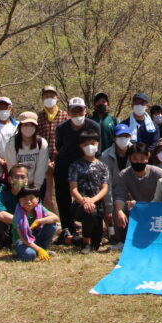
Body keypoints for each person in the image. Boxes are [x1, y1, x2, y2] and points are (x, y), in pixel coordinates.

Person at [53, 97, 100, 244]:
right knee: (63, 199)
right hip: (64, 166)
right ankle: (67, 230)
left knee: (88, 196)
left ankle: (91, 228)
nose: (77, 113)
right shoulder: (61, 128)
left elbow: (98, 149)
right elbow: (59, 146)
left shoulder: (94, 126)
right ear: (68, 112)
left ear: (85, 110)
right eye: (74, 110)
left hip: (86, 166)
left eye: (80, 110)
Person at [110, 142, 162, 247]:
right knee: (119, 210)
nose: (138, 162)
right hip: (137, 208)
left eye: (141, 158)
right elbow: (119, 196)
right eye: (135, 159)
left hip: (156, 209)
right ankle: (123, 240)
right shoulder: (124, 175)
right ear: (129, 159)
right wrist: (119, 211)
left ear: (148, 157)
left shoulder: (159, 174)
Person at [67, 129, 110, 254]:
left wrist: (92, 200)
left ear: (98, 144)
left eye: (93, 143)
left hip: (97, 205)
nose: (90, 147)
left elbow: (104, 188)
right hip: (79, 206)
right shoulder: (75, 166)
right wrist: (83, 201)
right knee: (89, 211)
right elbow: (73, 189)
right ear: (80, 146)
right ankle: (85, 243)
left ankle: (71, 239)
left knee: (96, 245)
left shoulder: (103, 166)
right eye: (86, 144)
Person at [99, 123, 133, 241]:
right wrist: (109, 208)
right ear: (114, 138)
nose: (123, 139)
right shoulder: (105, 156)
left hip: (132, 197)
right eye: (120, 136)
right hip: (114, 198)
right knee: (117, 237)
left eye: (126, 136)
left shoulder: (136, 152)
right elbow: (106, 182)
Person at [38, 85, 69, 209]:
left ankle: (69, 221)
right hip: (44, 161)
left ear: (57, 97)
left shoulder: (64, 116)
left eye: (52, 96)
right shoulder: (39, 117)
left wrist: (58, 160)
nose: (49, 98)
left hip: (61, 160)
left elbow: (68, 140)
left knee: (65, 192)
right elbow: (37, 140)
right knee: (47, 194)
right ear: (42, 98)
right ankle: (51, 221)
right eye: (46, 96)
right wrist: (46, 160)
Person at [3, 112, 48, 192]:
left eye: (31, 125)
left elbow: (41, 168)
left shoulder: (42, 143)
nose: (28, 128)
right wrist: (19, 188)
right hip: (17, 185)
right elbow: (12, 168)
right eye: (25, 125)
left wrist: (35, 190)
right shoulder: (11, 143)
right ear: (20, 127)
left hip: (37, 186)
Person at [12, 187, 59, 262]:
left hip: (35, 237)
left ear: (37, 199)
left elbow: (55, 217)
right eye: (24, 199)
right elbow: (23, 239)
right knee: (30, 255)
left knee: (51, 224)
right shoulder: (18, 216)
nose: (28, 201)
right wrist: (38, 249)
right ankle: (32, 252)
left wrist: (39, 221)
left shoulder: (40, 208)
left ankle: (44, 249)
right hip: (22, 242)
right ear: (19, 201)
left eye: (31, 198)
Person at [0, 163, 30, 249]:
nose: (20, 180)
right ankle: (5, 244)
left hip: (27, 226)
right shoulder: (1, 192)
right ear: (9, 179)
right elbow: (1, 215)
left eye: (23, 177)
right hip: (9, 225)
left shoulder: (32, 193)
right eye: (16, 177)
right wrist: (22, 221)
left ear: (27, 179)